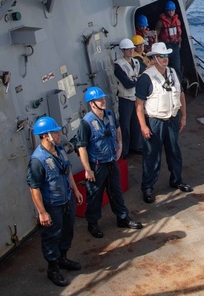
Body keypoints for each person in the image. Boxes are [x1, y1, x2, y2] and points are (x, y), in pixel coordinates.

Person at [76, 87, 144, 237]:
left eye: (103, 98)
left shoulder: (110, 114)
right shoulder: (86, 123)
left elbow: (118, 129)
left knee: (116, 191)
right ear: (92, 104)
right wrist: (88, 169)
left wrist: (119, 147)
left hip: (111, 161)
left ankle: (122, 217)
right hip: (97, 165)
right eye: (100, 99)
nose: (103, 100)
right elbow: (82, 147)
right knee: (95, 195)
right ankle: (92, 223)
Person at [27, 116, 84, 287]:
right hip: (52, 205)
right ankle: (52, 268)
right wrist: (42, 212)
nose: (59, 134)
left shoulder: (59, 151)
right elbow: (34, 188)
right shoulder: (38, 160)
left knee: (67, 231)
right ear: (45, 135)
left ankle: (62, 258)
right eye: (55, 131)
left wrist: (75, 190)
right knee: (52, 236)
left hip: (66, 199)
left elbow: (67, 171)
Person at [135, 42, 191, 203]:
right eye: (161, 56)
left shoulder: (173, 72)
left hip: (171, 119)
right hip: (155, 121)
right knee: (152, 155)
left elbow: (180, 94)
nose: (165, 59)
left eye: (166, 55)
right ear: (154, 58)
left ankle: (177, 179)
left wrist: (184, 116)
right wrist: (143, 126)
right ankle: (147, 187)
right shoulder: (146, 78)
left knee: (174, 151)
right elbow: (138, 104)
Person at [113, 38, 144, 157]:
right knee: (125, 125)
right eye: (128, 50)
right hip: (125, 98)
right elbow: (127, 83)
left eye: (132, 49)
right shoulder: (119, 66)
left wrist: (135, 79)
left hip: (135, 97)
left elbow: (142, 75)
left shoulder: (136, 62)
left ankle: (136, 146)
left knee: (136, 123)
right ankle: (124, 150)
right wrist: (137, 78)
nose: (131, 51)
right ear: (123, 51)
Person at [156, 0, 184, 76]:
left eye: (172, 10)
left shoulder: (177, 21)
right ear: (166, 11)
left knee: (177, 68)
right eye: (169, 10)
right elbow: (156, 36)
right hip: (165, 48)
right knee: (165, 68)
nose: (171, 12)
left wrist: (179, 44)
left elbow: (179, 34)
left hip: (175, 47)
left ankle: (179, 86)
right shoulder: (160, 23)